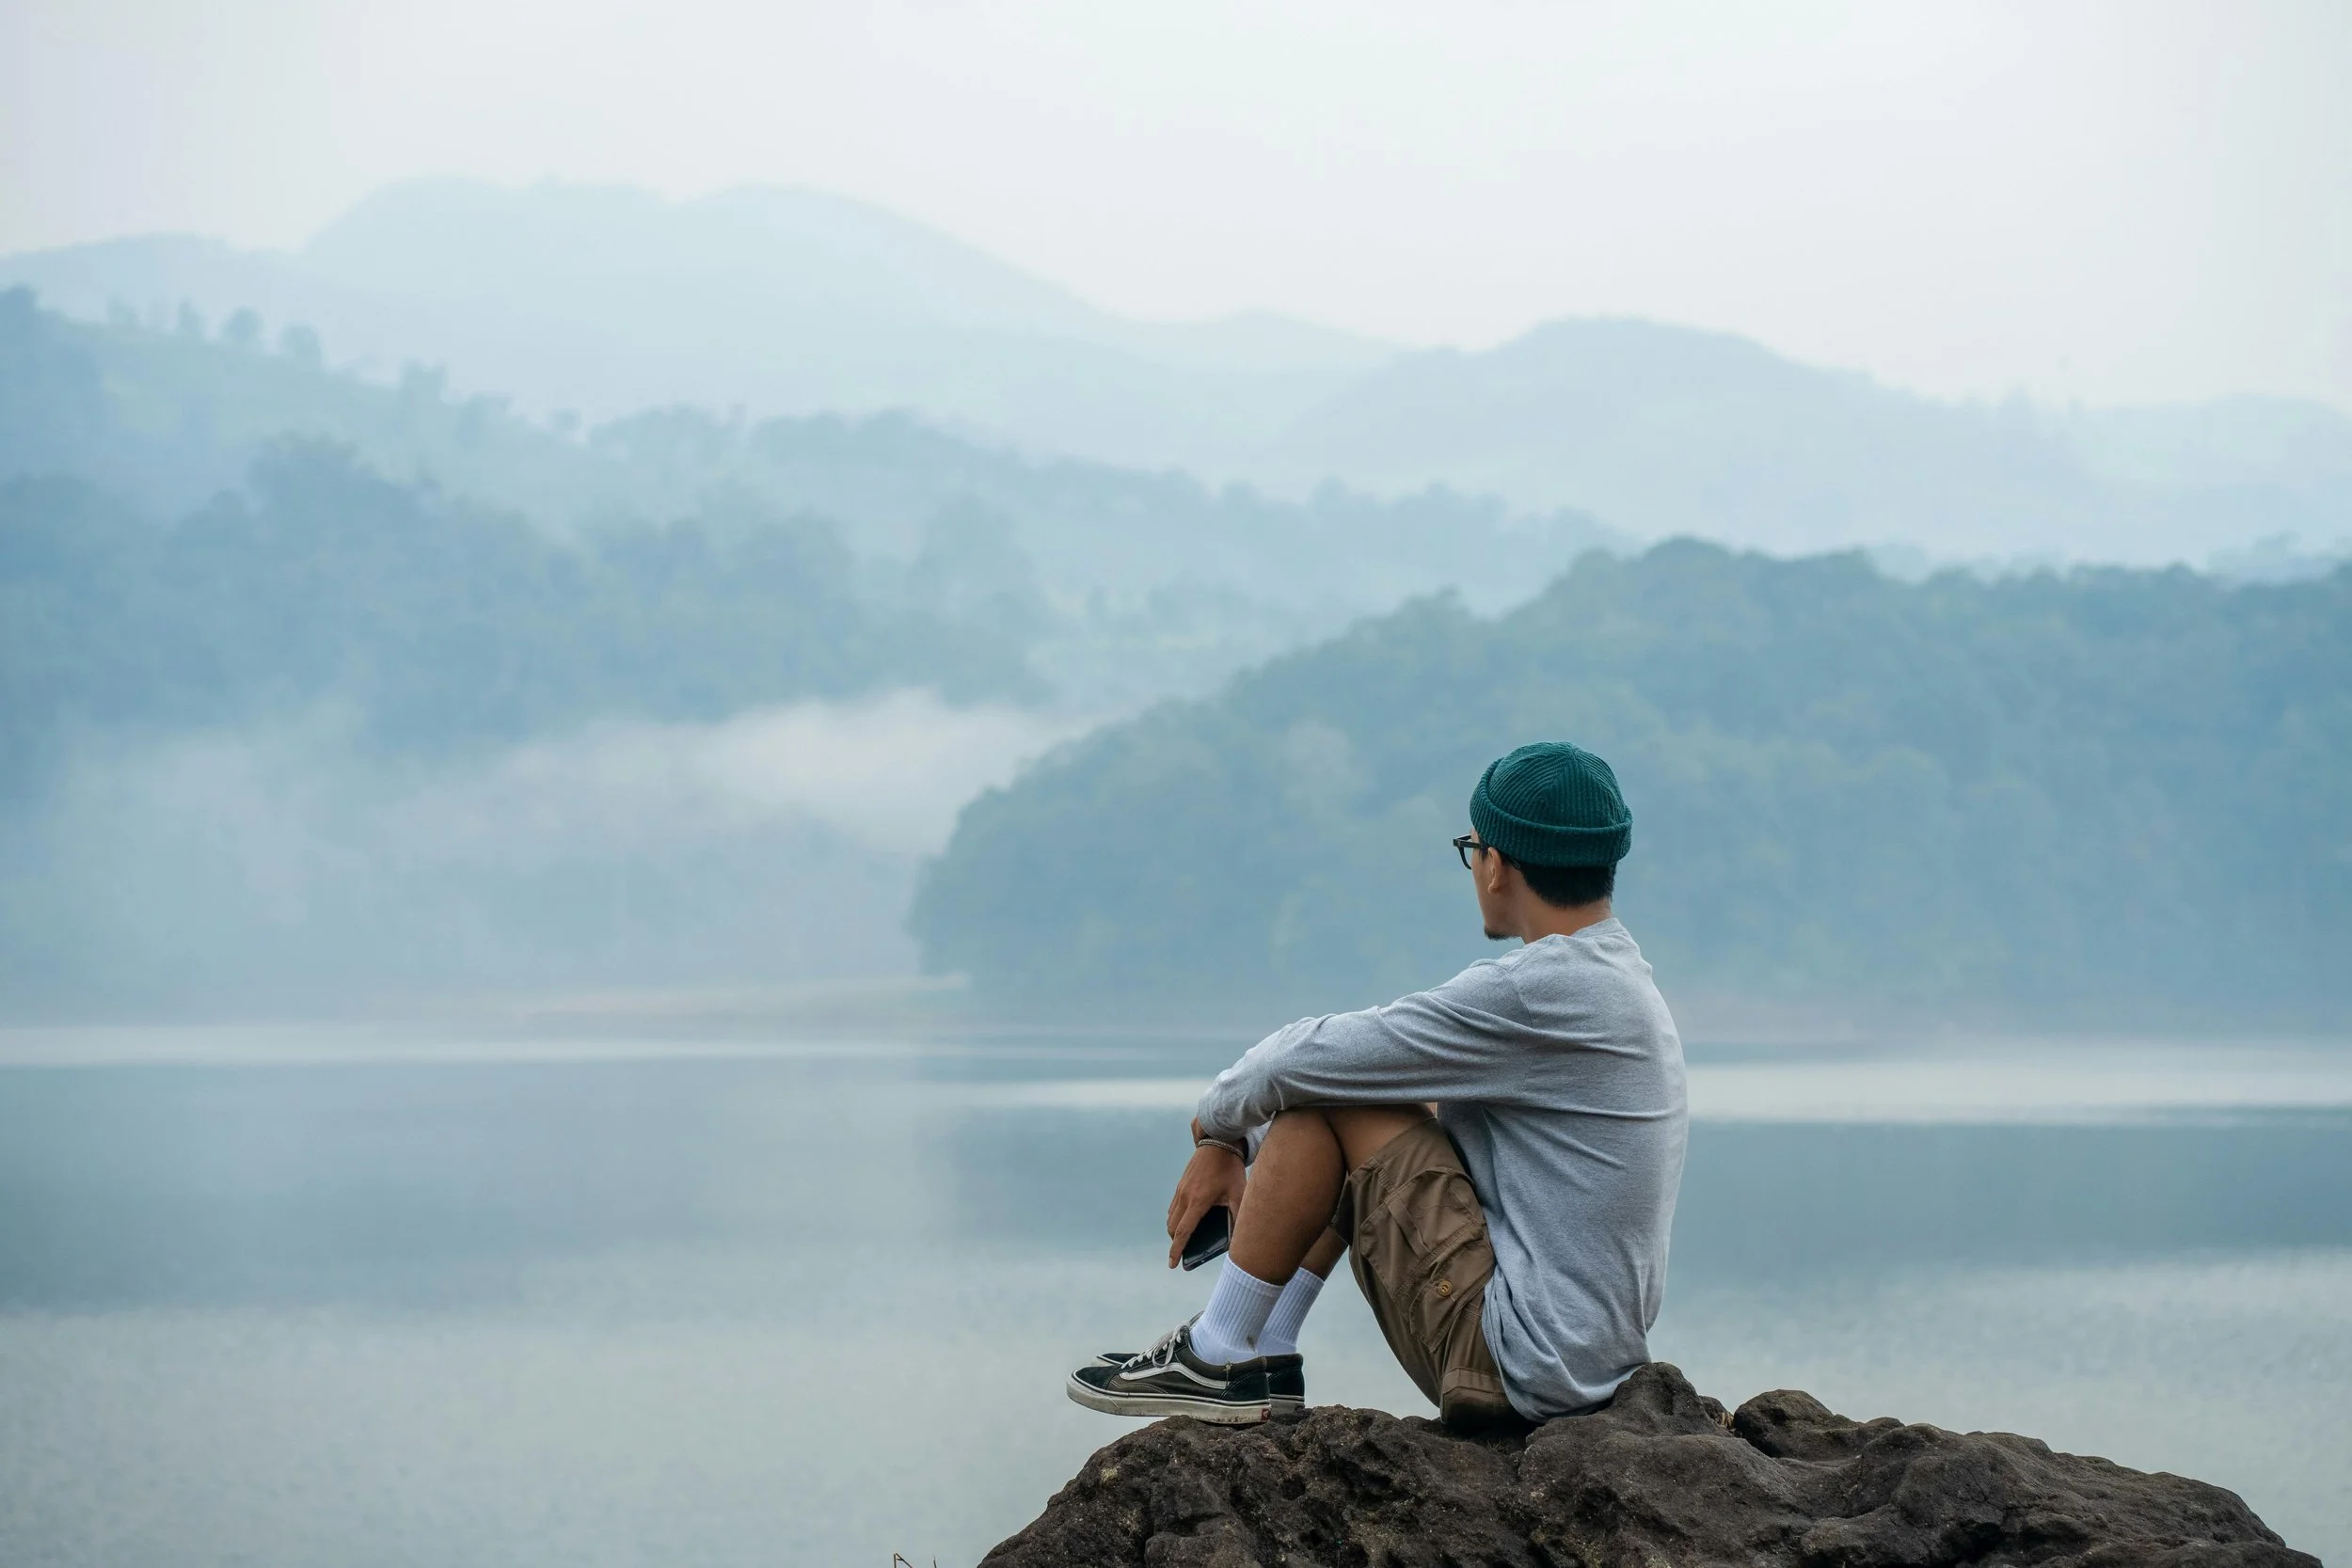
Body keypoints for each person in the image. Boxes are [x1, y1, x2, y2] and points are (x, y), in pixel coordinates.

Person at [1067, 741, 1688, 1427]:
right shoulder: (1619, 978)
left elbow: (1297, 1061)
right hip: (1585, 1365)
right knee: (1386, 1094)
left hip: (1522, 1366)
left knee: (1329, 1094)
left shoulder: (1540, 992)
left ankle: (1220, 1350)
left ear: (1498, 866)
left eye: (1471, 848)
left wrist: (1220, 1130)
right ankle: (1262, 1345)